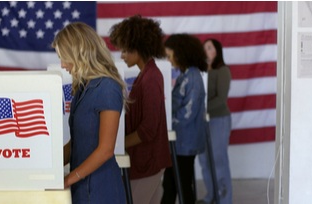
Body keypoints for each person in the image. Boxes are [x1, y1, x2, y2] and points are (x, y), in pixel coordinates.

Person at [52, 22, 126, 204]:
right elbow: (76, 143)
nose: (62, 65)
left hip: (102, 189)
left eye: (65, 58)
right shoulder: (84, 87)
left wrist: (68, 179)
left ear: (79, 54)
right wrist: (49, 167)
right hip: (81, 186)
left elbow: (106, 150)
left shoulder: (107, 87)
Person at [109, 15, 172, 204]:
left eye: (125, 50)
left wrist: (116, 146)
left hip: (148, 161)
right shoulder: (146, 75)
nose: (122, 55)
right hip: (147, 160)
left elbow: (149, 128)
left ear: (138, 47)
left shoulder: (151, 77)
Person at [161, 34, 207, 204]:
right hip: (179, 142)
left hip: (184, 142)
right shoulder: (185, 75)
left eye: (169, 56)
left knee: (182, 186)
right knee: (171, 184)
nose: (168, 60)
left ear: (180, 54)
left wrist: (166, 123)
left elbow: (188, 113)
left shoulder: (193, 78)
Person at [197, 39, 232, 204]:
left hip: (219, 120)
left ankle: (224, 199)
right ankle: (212, 196)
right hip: (202, 121)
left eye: (209, 48)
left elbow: (221, 99)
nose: (206, 51)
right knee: (204, 161)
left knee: (218, 160)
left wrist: (202, 108)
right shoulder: (200, 71)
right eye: (204, 48)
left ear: (217, 51)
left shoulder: (223, 71)